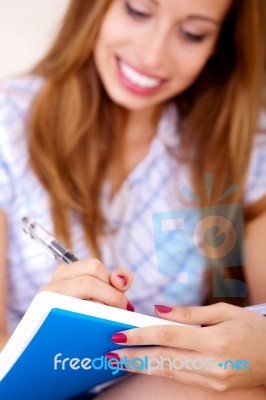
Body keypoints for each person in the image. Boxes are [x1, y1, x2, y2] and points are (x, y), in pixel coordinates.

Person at [0, 0, 265, 398]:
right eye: (138, 11)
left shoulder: (235, 147)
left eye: (193, 33)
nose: (153, 55)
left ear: (219, 45)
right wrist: (46, 332)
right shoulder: (8, 125)